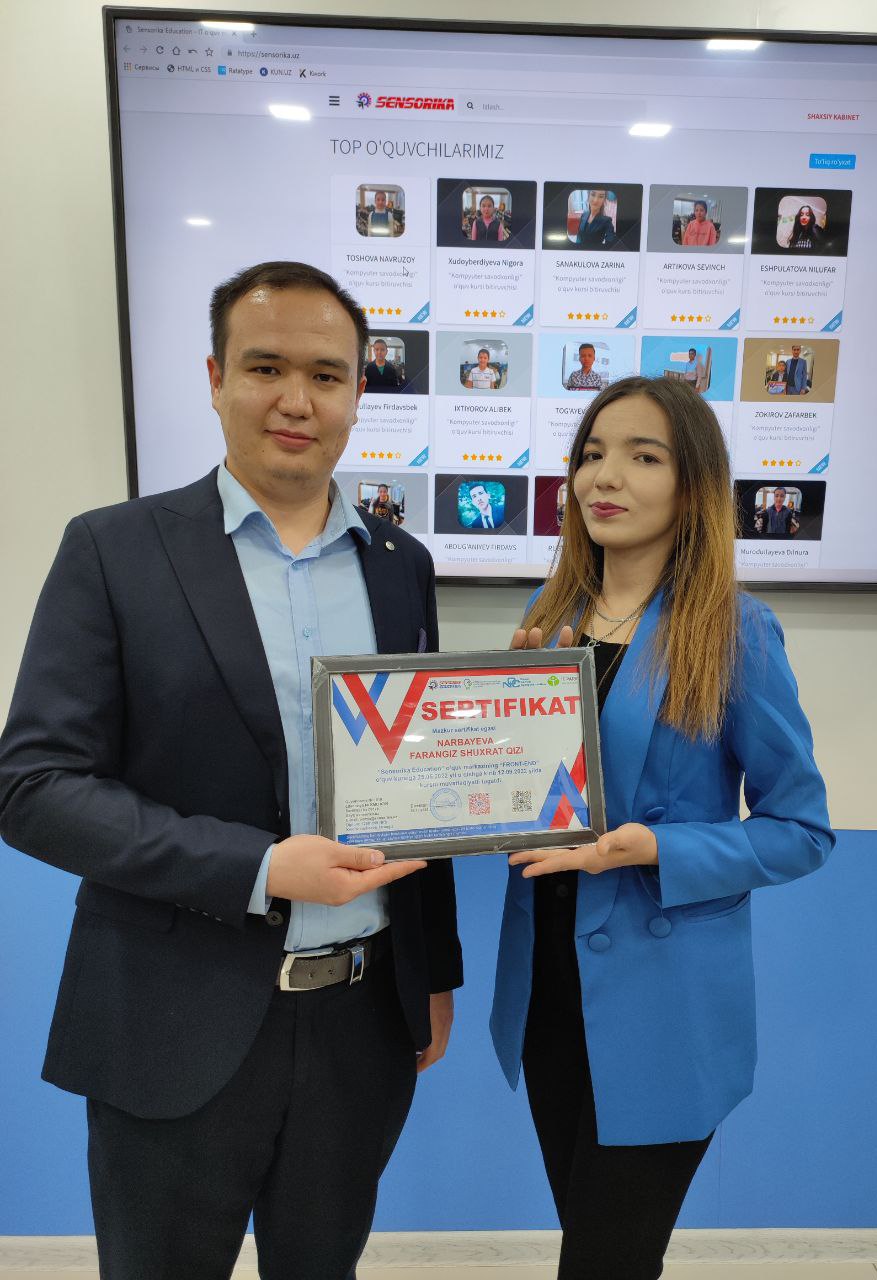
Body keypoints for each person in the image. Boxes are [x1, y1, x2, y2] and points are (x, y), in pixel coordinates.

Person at [0, 261, 462, 1280]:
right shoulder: (114, 550)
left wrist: (434, 975)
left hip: (362, 1023)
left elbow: (415, 788)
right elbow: (33, 786)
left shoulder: (401, 565)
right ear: (215, 379)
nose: (297, 400)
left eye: (326, 375)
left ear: (358, 394)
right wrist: (257, 867)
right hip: (171, 1019)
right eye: (265, 367)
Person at [494, 376, 833, 1280]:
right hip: (550, 992)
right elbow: (533, 800)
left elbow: (802, 830)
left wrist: (656, 847)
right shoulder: (547, 618)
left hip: (663, 1009)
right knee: (594, 1247)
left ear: (693, 488)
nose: (605, 476)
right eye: (592, 454)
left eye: (644, 456)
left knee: (604, 1263)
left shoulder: (735, 631)